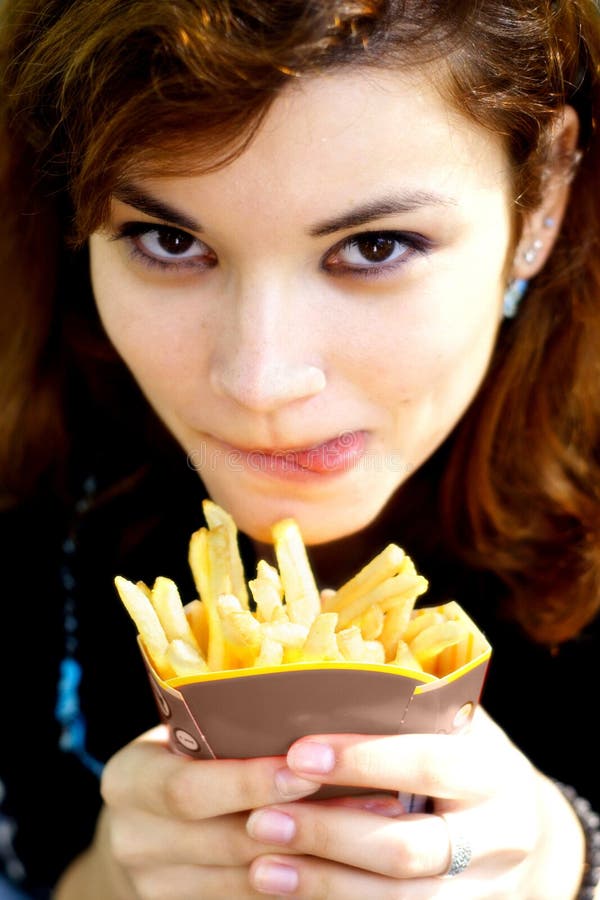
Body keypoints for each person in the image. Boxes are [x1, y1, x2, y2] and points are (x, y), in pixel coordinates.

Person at [0, 0, 599, 897]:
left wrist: (566, 864)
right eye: (169, 240)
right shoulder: (29, 477)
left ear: (544, 195)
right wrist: (116, 880)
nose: (259, 379)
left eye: (375, 245)